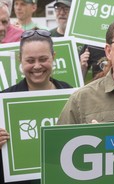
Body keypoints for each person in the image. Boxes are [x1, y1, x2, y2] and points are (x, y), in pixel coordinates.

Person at [0, 28, 72, 184]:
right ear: (21, 60)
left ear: (53, 57)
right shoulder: (3, 101)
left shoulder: (70, 93)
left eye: (43, 59)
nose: (37, 66)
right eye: (30, 60)